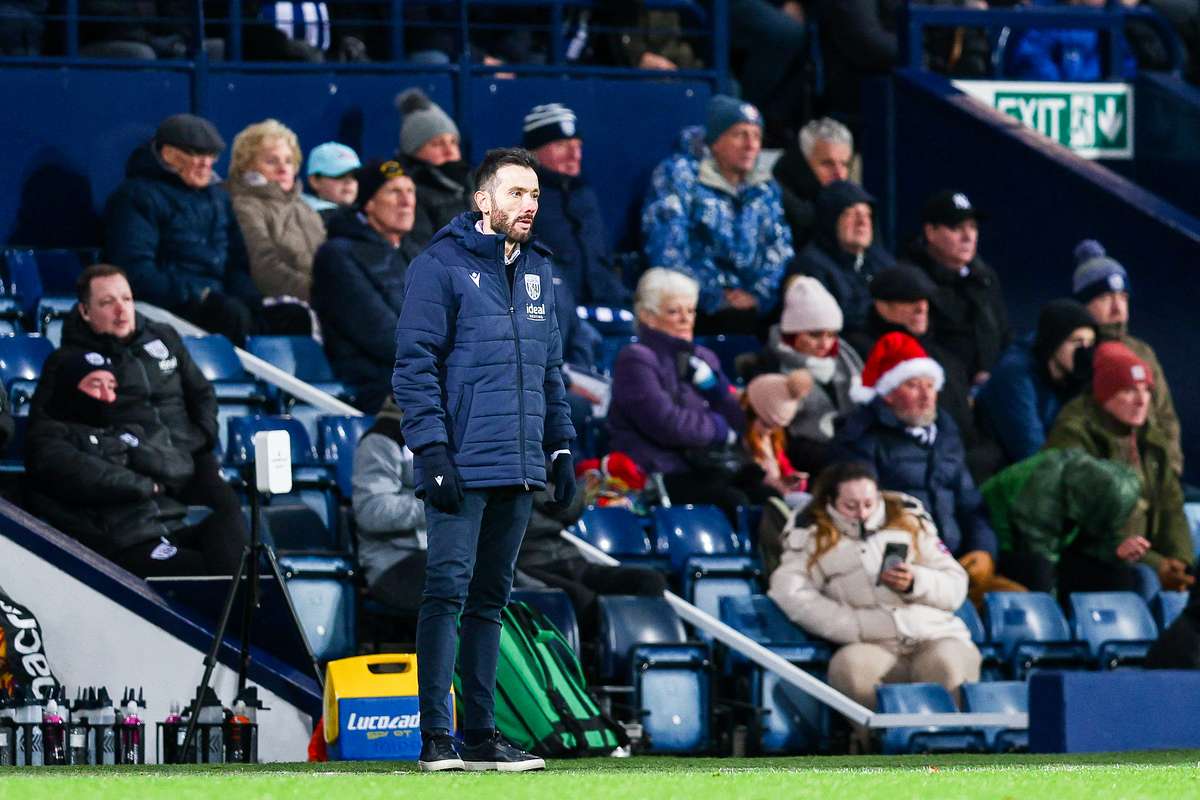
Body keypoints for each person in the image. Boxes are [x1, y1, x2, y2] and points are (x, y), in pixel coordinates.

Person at [393, 148, 575, 772]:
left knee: (491, 600)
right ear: (483, 200)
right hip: (462, 460)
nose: (530, 205)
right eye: (517, 193)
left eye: (535, 195)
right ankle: (435, 738)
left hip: (520, 462)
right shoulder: (437, 265)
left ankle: (478, 735)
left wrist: (562, 447)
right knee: (446, 590)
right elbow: (413, 366)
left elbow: (552, 371)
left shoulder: (540, 272)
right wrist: (432, 449)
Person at [29, 264, 248, 567]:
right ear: (84, 311)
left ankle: (250, 599)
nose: (121, 310)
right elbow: (48, 432)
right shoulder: (74, 362)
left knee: (231, 516)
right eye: (107, 302)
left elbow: (202, 393)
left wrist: (201, 437)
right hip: (138, 460)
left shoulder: (163, 336)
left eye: (127, 299)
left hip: (189, 455)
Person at [768, 461, 980, 750]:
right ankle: (887, 755)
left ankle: (950, 755)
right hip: (871, 641)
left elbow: (955, 584)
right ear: (831, 502)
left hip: (932, 634)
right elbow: (788, 590)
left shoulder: (909, 521)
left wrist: (915, 581)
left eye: (869, 503)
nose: (862, 513)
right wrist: (851, 624)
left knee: (948, 665)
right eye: (850, 506)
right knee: (850, 669)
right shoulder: (812, 535)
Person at [833, 333, 1016, 603]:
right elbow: (865, 518)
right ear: (888, 394)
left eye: (930, 386)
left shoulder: (947, 437)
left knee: (1016, 607)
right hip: (902, 572)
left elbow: (971, 506)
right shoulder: (861, 440)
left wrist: (983, 551)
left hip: (956, 566)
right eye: (913, 386)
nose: (926, 395)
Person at [25, 351, 242, 577]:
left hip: (166, 527)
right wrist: (149, 484)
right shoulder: (48, 439)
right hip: (123, 543)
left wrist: (133, 455)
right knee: (210, 571)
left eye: (111, 386)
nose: (106, 395)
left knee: (228, 525)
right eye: (95, 385)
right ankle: (245, 604)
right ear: (69, 389)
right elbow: (96, 479)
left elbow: (178, 468)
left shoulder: (124, 431)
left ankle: (249, 601)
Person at [607, 268, 772, 524]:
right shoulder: (636, 359)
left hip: (708, 467)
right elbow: (668, 425)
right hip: (660, 472)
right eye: (674, 311)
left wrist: (715, 390)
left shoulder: (704, 358)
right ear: (648, 317)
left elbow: (739, 419)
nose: (686, 319)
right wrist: (718, 427)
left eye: (691, 311)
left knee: (767, 498)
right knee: (732, 501)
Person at [1044, 341, 1195, 592]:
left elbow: (1172, 506)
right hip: (1089, 556)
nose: (1141, 401)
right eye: (1129, 391)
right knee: (1143, 580)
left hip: (1147, 557)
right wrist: (1157, 565)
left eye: (1146, 390)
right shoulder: (1074, 435)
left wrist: (1179, 561)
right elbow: (1088, 523)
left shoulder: (1152, 440)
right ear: (1105, 394)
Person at [103, 113, 262, 345]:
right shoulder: (135, 197)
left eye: (212, 155)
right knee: (230, 314)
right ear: (168, 154)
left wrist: (249, 298)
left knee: (288, 317)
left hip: (220, 303)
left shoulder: (219, 198)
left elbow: (237, 263)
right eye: (197, 154)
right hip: (172, 306)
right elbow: (135, 271)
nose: (206, 163)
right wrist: (197, 295)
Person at [641, 95, 793, 335]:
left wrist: (758, 295)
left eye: (756, 136)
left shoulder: (765, 186)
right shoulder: (678, 176)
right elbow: (667, 249)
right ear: (715, 141)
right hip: (696, 305)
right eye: (740, 134)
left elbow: (779, 250)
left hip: (754, 306)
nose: (750, 145)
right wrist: (715, 295)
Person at [843, 264, 995, 480]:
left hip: (961, 465)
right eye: (909, 301)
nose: (922, 307)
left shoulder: (945, 356)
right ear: (882, 306)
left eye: (924, 300)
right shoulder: (866, 352)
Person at [311, 159, 422, 413]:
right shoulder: (337, 256)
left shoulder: (417, 254)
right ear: (369, 203)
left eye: (410, 191)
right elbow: (381, 334)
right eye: (395, 192)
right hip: (375, 387)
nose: (407, 201)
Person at [981, 448, 1157, 602]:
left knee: (1127, 576)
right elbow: (1036, 552)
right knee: (1040, 574)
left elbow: (1097, 536)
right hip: (1005, 545)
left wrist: (1115, 552)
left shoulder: (1099, 489)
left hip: (1054, 552)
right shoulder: (1044, 490)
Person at [1071, 239, 1183, 475]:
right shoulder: (1076, 353)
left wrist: (1170, 471)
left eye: (1123, 297)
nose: (1117, 308)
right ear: (1083, 305)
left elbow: (1166, 418)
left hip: (1155, 477)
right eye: (1105, 298)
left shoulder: (1142, 352)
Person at [518, 472, 669, 645]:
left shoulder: (545, 465)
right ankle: (598, 659)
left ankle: (647, 648)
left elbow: (570, 506)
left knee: (650, 580)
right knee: (583, 599)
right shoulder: (503, 477)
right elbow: (563, 502)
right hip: (530, 562)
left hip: (570, 557)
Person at [522, 102, 631, 306]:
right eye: (562, 146)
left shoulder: (584, 193)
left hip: (605, 304)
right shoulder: (521, 197)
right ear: (534, 151)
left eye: (577, 146)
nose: (575, 156)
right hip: (555, 312)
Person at [902, 190, 1010, 390]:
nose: (968, 236)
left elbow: (1005, 335)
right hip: (944, 390)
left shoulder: (984, 277)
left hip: (992, 387)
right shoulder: (912, 281)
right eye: (957, 228)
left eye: (973, 227)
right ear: (930, 232)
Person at [758, 276, 863, 473]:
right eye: (815, 335)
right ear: (793, 333)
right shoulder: (771, 365)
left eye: (831, 335)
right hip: (800, 451)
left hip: (849, 444)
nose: (825, 344)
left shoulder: (846, 360)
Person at [977, 299, 1097, 464]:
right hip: (1002, 471)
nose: (1085, 351)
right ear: (1054, 341)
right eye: (1077, 342)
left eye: (1090, 343)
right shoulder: (1014, 375)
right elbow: (1031, 452)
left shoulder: (1076, 372)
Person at [227, 119, 326, 304]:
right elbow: (264, 268)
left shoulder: (305, 207)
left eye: (289, 161)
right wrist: (322, 294)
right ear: (247, 167)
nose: (283, 169)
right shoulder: (245, 207)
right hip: (284, 304)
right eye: (272, 161)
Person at [351, 397, 428, 613]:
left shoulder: (446, 435)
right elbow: (371, 511)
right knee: (453, 573)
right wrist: (433, 504)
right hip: (394, 563)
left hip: (438, 553)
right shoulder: (381, 439)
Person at [791, 180, 895, 334]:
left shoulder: (882, 260)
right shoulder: (810, 265)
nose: (862, 222)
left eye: (868, 214)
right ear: (830, 220)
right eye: (851, 214)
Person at [394, 88, 473, 246]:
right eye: (437, 144)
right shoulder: (412, 193)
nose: (449, 151)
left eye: (453, 142)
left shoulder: (475, 183)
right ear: (414, 151)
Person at [772, 117, 854, 250]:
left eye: (844, 164)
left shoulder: (855, 206)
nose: (839, 174)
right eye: (827, 164)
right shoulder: (775, 204)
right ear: (802, 164)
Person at [742, 373, 810, 500]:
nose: (770, 431)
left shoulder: (773, 440)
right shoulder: (740, 441)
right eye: (766, 424)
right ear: (751, 412)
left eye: (776, 427)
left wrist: (789, 479)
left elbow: (784, 467)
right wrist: (774, 485)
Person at [302, 141, 361, 219]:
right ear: (314, 181)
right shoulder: (312, 216)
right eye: (340, 175)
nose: (349, 181)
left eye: (355, 175)